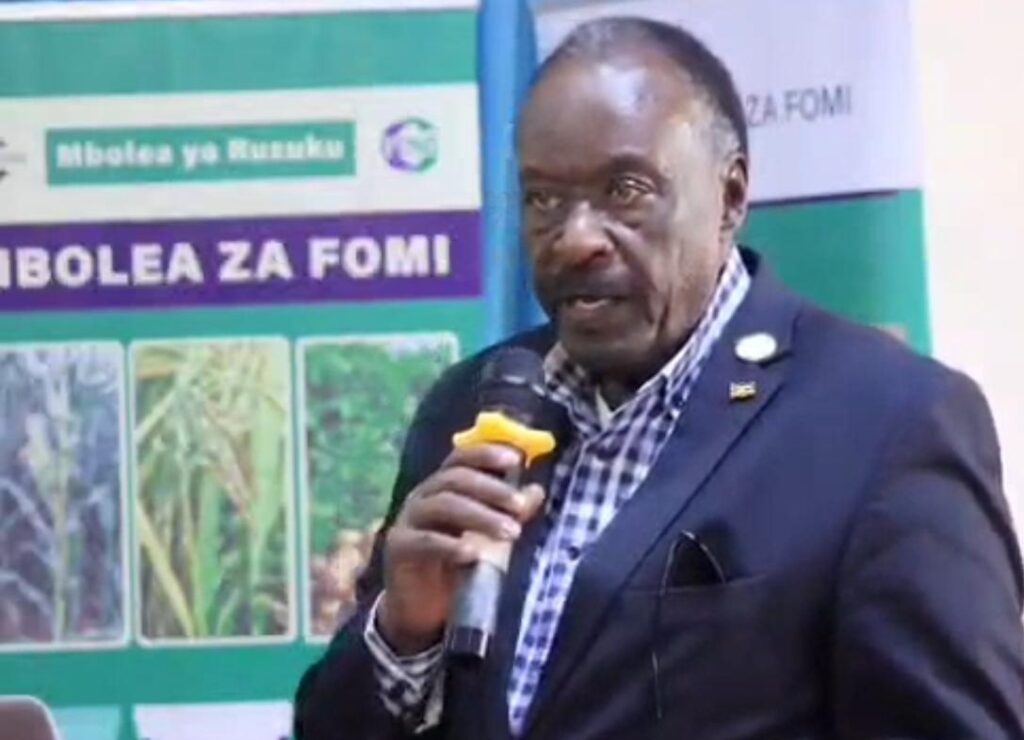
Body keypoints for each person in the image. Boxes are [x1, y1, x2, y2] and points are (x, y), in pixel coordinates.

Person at [294, 17, 1024, 740]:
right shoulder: (468, 406)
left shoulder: (887, 423)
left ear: (730, 196)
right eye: (544, 198)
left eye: (626, 190)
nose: (576, 237)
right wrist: (403, 631)